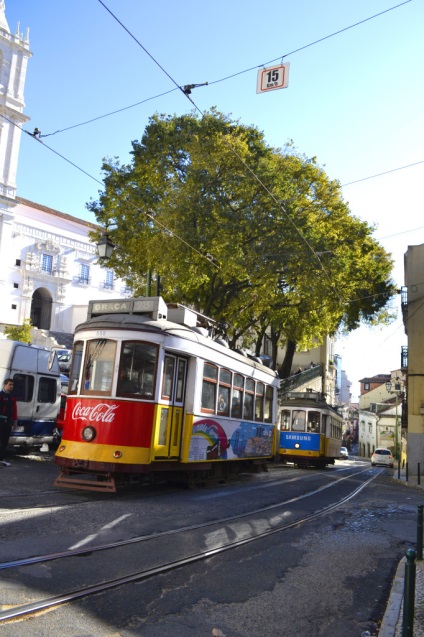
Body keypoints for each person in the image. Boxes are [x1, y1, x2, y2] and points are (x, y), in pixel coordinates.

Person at [0, 378, 18, 467]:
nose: (11, 386)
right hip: (1, 421)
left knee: (5, 441)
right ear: (5, 385)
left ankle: (2, 459)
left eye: (12, 385)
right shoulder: (1, 395)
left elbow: (14, 409)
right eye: (9, 384)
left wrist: (15, 421)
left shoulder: (12, 396)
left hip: (8, 421)